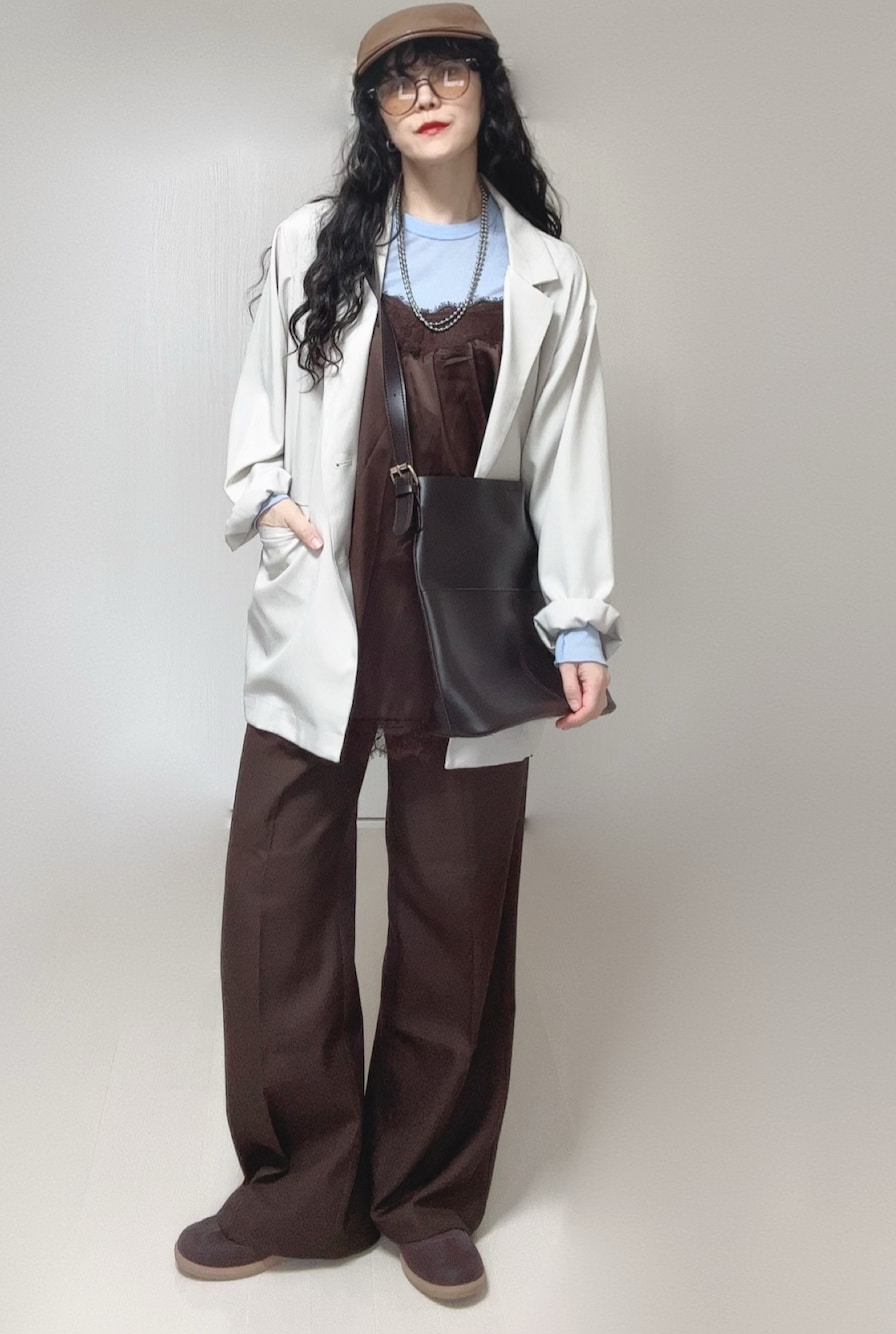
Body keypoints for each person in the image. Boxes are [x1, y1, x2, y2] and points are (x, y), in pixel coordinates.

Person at [174, 2, 621, 1304]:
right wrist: (271, 504)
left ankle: (425, 1193)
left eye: (448, 73)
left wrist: (578, 622)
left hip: (470, 607)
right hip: (331, 591)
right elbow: (260, 401)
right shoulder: (312, 244)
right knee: (279, 891)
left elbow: (570, 462)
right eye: (398, 83)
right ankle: (299, 1187)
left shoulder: (549, 274)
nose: (425, 96)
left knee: (455, 902)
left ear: (486, 91)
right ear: (375, 114)